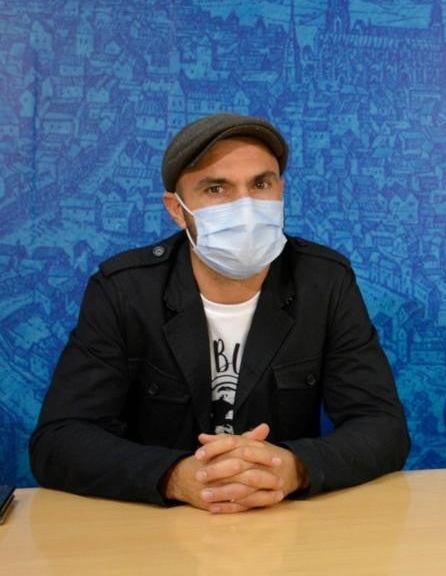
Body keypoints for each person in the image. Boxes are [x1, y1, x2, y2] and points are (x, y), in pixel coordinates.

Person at [29, 113, 410, 512]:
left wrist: (292, 468)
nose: (245, 207)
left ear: (280, 190)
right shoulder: (124, 290)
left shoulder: (325, 281)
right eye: (216, 189)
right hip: (157, 531)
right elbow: (59, 440)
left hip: (284, 524)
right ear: (177, 210)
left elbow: (383, 427)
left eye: (261, 184)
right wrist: (175, 476)